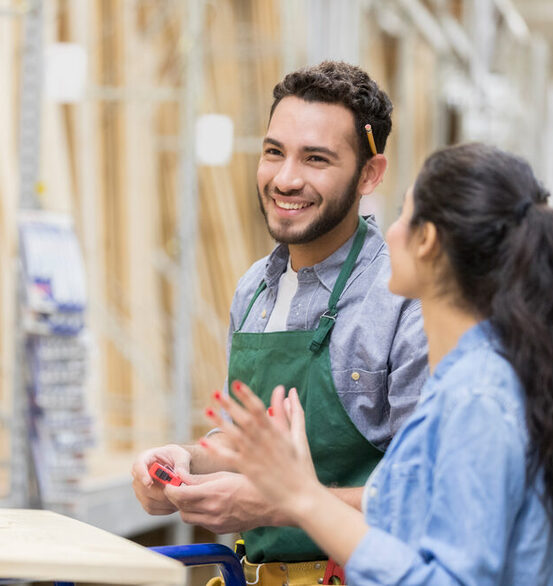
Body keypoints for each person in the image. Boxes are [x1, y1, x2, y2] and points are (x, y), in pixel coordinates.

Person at [203, 142, 553, 584]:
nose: (388, 231)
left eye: (402, 214)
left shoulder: (477, 397)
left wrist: (302, 496)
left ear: (428, 240)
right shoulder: (462, 381)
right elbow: (397, 508)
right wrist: (286, 488)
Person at [131, 61, 430, 580]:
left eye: (316, 159)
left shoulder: (403, 299)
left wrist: (276, 504)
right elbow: (243, 445)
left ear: (369, 174)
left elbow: (425, 496)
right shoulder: (254, 290)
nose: (286, 179)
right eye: (274, 152)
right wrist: (183, 463)